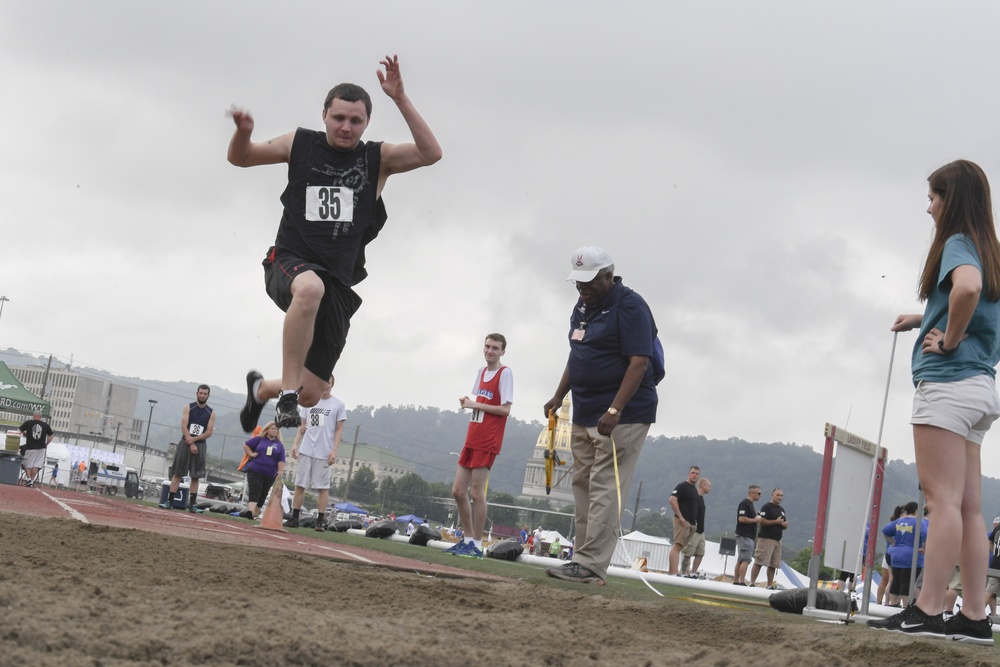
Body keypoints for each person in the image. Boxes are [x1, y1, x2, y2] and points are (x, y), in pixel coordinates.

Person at [229, 55, 442, 432]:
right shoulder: (300, 144)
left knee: (314, 392)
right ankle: (288, 396)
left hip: (339, 282)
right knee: (310, 288)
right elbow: (241, 158)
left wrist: (400, 98)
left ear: (366, 123)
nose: (346, 127)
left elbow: (431, 153)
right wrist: (243, 131)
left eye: (355, 120)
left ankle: (264, 390)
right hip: (289, 261)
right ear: (324, 115)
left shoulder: (378, 158)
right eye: (339, 118)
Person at [867, 160, 1000, 645]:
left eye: (933, 197)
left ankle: (926, 609)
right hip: (982, 387)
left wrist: (946, 341)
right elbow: (976, 302)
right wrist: (926, 318)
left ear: (952, 199)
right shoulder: (991, 249)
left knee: (939, 501)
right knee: (969, 508)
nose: (929, 207)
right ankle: (974, 616)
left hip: (948, 383)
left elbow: (967, 288)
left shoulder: (958, 244)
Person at [543, 246, 659, 586]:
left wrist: (614, 409)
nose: (582, 288)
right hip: (584, 410)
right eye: (578, 282)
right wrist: (558, 394)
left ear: (609, 276)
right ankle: (581, 557)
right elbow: (577, 353)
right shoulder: (582, 306)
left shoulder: (631, 306)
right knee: (582, 485)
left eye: (589, 282)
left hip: (621, 415)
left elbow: (640, 362)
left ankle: (592, 564)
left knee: (605, 487)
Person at [448, 334, 513, 557]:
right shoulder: (482, 372)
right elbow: (481, 402)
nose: (490, 351)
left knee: (477, 494)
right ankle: (466, 539)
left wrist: (477, 404)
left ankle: (476, 543)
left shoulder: (505, 374)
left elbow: (505, 409)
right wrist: (469, 402)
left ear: (502, 351)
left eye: (495, 348)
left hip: (488, 439)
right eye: (487, 346)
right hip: (472, 436)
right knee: (458, 491)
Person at [286, 376, 346, 531]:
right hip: (306, 450)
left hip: (324, 453)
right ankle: (295, 518)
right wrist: (295, 443)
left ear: (332, 384)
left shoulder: (338, 405)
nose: (325, 385)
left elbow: (339, 429)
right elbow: (304, 425)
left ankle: (320, 521)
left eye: (329, 382)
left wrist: (334, 450)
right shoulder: (310, 401)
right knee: (300, 485)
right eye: (323, 381)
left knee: (323, 488)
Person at [160, 385, 215, 512]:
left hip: (200, 445)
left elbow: (209, 431)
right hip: (185, 442)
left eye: (205, 394)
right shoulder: (188, 407)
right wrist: (190, 442)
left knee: (195, 476)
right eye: (200, 393)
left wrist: (195, 441)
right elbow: (184, 426)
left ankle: (192, 504)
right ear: (197, 393)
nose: (202, 395)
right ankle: (169, 501)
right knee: (178, 473)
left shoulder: (211, 412)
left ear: (208, 395)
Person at [879, 501, 928, 607]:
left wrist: (893, 543)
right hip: (911, 556)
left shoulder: (898, 521)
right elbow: (925, 534)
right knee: (907, 582)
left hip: (896, 555)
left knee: (896, 580)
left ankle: (893, 603)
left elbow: (885, 531)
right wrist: (923, 548)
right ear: (916, 511)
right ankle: (906, 606)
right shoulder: (918, 522)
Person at [240, 422, 286, 520]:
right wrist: (251, 454)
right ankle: (250, 512)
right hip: (255, 469)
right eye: (272, 428)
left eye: (276, 429)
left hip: (270, 473)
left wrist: (280, 471)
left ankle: (255, 514)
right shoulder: (259, 439)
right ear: (267, 430)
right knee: (254, 490)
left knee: (263, 494)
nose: (274, 430)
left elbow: (281, 459)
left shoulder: (279, 445)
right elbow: (246, 445)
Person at [749, 488, 789, 589]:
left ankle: (769, 585)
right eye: (778, 495)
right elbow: (761, 521)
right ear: (772, 495)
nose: (780, 497)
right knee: (759, 561)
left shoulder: (782, 510)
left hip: (778, 539)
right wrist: (775, 522)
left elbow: (783, 523)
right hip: (766, 538)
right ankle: (752, 583)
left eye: (781, 496)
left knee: (773, 564)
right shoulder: (766, 507)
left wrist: (784, 525)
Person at [668, 466, 701, 575]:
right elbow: (672, 499)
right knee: (677, 546)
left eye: (697, 473)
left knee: (680, 547)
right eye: (693, 473)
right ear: (688, 474)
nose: (695, 475)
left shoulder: (694, 490)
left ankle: (671, 573)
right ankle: (673, 573)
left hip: (691, 523)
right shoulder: (682, 486)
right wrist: (680, 517)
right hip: (682, 521)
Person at [681, 477, 712, 577]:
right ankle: (683, 572)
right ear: (703, 485)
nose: (710, 488)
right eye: (709, 486)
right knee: (688, 552)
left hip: (701, 531)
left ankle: (693, 573)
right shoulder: (695, 497)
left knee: (700, 552)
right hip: (694, 529)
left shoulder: (702, 499)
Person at [733, 485, 762, 586]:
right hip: (745, 535)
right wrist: (755, 520)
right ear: (752, 493)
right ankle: (741, 581)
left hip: (747, 535)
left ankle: (736, 580)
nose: (760, 495)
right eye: (759, 493)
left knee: (741, 559)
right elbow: (742, 518)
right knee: (745, 559)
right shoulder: (745, 503)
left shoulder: (750, 504)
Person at [876, 505, 905, 605]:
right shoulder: (901, 525)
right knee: (894, 580)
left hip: (888, 553)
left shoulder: (893, 524)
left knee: (885, 580)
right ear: (902, 514)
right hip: (895, 555)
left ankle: (880, 601)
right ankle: (892, 602)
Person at [18, 410, 53, 488]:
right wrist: (46, 443)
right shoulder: (45, 425)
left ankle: (29, 479)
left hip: (30, 447)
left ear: (33, 416)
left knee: (27, 464)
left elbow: (19, 430)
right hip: (42, 448)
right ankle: (32, 480)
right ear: (40, 417)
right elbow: (51, 435)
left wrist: (24, 434)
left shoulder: (28, 423)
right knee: (36, 465)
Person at [987, 516, 1000, 618]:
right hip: (994, 564)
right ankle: (977, 613)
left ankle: (993, 613)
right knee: (990, 592)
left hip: (995, 564)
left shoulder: (996, 529)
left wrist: (993, 553)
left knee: (990, 591)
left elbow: (989, 542)